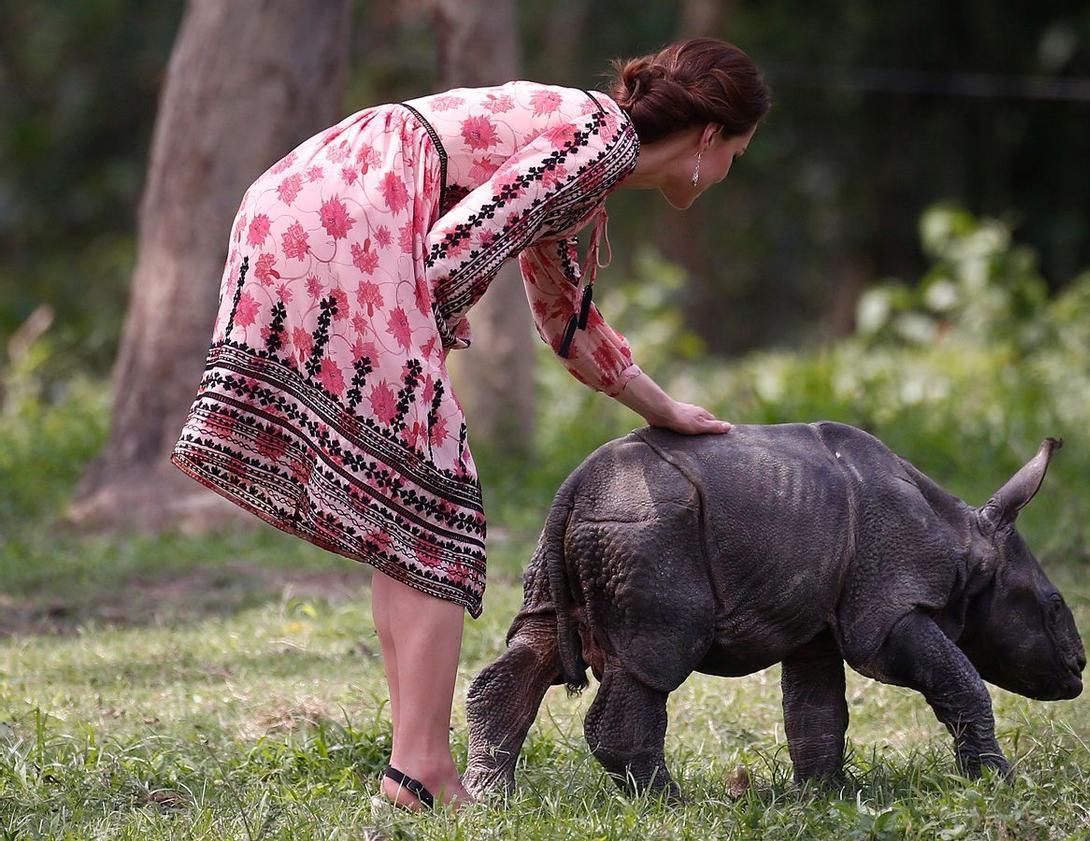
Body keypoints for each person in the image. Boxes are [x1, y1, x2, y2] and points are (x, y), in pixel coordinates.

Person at [170, 36, 769, 810]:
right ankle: (422, 771)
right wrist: (428, 343)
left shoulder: (591, 147)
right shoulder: (600, 140)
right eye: (737, 155)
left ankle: (412, 765)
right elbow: (457, 249)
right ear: (709, 140)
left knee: (407, 503)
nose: (726, 175)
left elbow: (566, 318)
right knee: (435, 502)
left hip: (309, 199)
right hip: (353, 210)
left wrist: (665, 411)